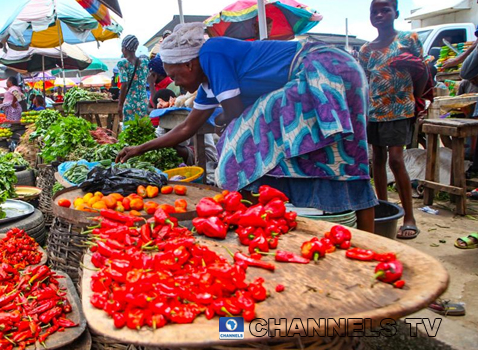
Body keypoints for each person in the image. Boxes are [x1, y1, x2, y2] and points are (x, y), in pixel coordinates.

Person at [116, 23, 377, 232]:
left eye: (175, 76)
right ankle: (261, 220)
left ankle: (372, 242)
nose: (177, 84)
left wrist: (222, 122)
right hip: (306, 77)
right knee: (315, 155)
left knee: (350, 155)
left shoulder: (211, 52)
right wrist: (140, 148)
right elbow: (186, 129)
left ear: (189, 64)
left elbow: (234, 113)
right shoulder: (207, 84)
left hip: (324, 67)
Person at [359, 0, 428, 239]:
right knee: (377, 159)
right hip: (374, 111)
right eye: (374, 11)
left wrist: (417, 99)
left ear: (395, 13)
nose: (379, 14)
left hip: (400, 109)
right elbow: (365, 82)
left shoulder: (409, 39)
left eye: (385, 10)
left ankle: (409, 216)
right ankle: (383, 210)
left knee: (396, 160)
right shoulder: (366, 50)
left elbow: (423, 72)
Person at [117, 35, 150, 122]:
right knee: (142, 129)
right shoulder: (145, 62)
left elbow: (124, 84)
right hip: (144, 102)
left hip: (130, 103)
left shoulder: (123, 63)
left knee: (129, 131)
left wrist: (120, 105)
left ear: (124, 48)